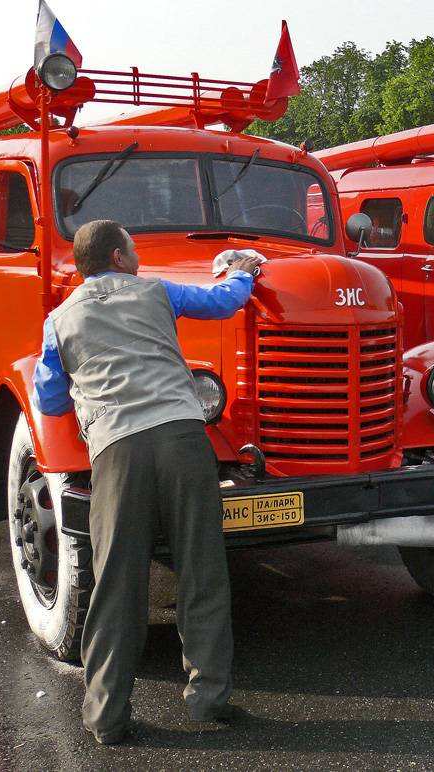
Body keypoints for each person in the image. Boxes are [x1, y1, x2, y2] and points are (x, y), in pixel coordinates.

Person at [32, 220, 265, 743]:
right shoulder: (156, 291)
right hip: (184, 439)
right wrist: (243, 274)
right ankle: (208, 699)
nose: (137, 255)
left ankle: (106, 718)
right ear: (117, 256)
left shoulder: (59, 320)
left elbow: (48, 399)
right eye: (132, 248)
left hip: (118, 451)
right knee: (201, 568)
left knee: (117, 580)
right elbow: (221, 302)